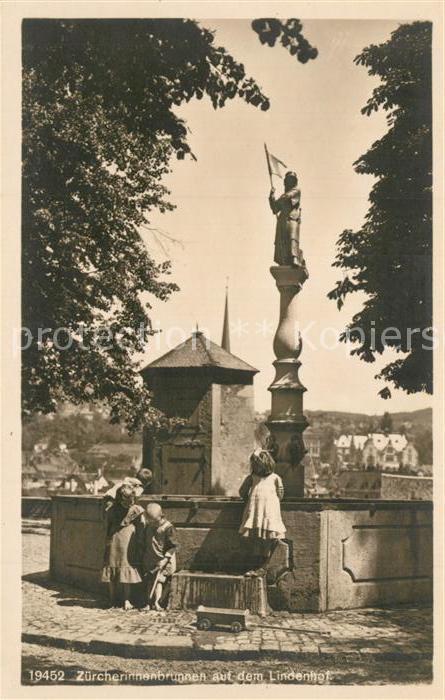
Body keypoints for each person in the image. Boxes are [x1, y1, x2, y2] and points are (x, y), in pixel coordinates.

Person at [239, 449, 286, 577]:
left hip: (267, 513)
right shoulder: (253, 478)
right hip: (257, 513)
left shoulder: (275, 478)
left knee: (265, 541)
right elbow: (243, 491)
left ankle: (262, 567)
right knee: (258, 541)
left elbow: (280, 493)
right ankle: (257, 566)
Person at [100, 484, 145, 610]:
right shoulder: (114, 509)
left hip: (127, 540)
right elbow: (141, 525)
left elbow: (142, 525)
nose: (129, 502)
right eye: (127, 500)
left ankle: (123, 600)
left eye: (131, 499)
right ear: (120, 498)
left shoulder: (134, 509)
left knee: (124, 568)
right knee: (114, 568)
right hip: (116, 539)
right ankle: (114, 599)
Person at [142, 503, 178, 611]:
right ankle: (148, 602)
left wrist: (165, 559)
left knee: (159, 581)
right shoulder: (149, 526)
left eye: (154, 521)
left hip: (163, 559)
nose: (152, 523)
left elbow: (173, 547)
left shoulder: (168, 528)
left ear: (161, 516)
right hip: (150, 558)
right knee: (149, 580)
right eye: (150, 521)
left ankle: (157, 602)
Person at [269, 171, 302, 266]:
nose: (289, 182)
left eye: (291, 180)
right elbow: (275, 209)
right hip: (282, 218)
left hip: (292, 217)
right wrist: (271, 197)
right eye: (288, 180)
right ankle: (283, 259)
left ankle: (294, 258)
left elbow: (287, 197)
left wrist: (278, 201)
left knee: (292, 237)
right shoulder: (284, 195)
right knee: (281, 239)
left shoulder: (296, 190)